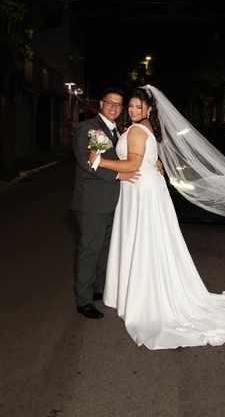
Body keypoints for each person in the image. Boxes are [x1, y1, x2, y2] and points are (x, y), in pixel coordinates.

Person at [88, 87, 225, 349]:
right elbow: (145, 159)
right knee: (150, 241)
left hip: (139, 189)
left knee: (142, 240)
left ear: (149, 109)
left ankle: (142, 296)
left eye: (139, 107)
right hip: (145, 188)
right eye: (132, 107)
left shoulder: (137, 129)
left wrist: (99, 161)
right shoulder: (147, 128)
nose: (134, 111)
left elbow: (133, 164)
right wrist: (153, 163)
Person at [71, 88, 138, 319]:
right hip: (92, 202)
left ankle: (98, 288)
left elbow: (126, 160)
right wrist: (119, 176)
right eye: (110, 102)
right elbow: (91, 163)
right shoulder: (91, 128)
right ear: (101, 103)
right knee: (91, 249)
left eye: (119, 105)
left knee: (105, 248)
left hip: (111, 202)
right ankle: (84, 300)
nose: (115, 107)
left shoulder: (117, 132)